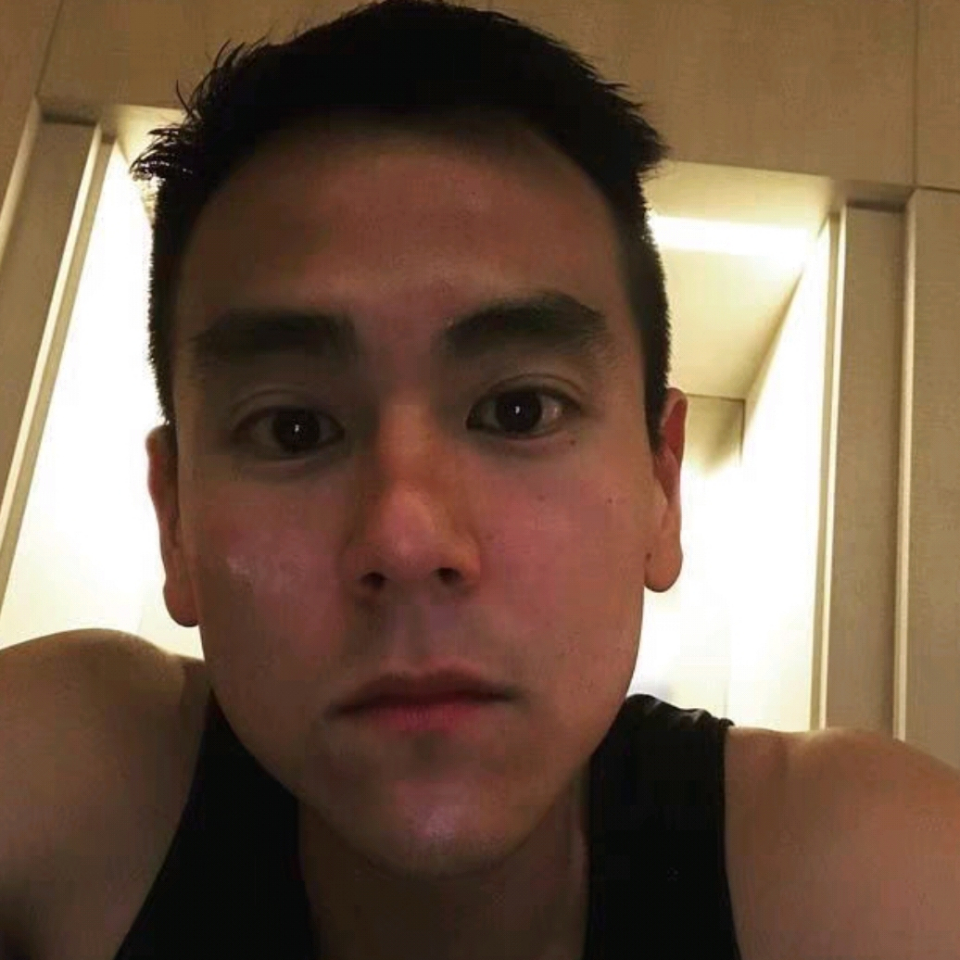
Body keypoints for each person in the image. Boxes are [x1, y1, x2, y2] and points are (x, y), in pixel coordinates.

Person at [1, 1, 959, 958]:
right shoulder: (82, 782)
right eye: (295, 429)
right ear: (175, 523)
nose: (406, 540)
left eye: (520, 411)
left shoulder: (861, 879)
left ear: (663, 487)